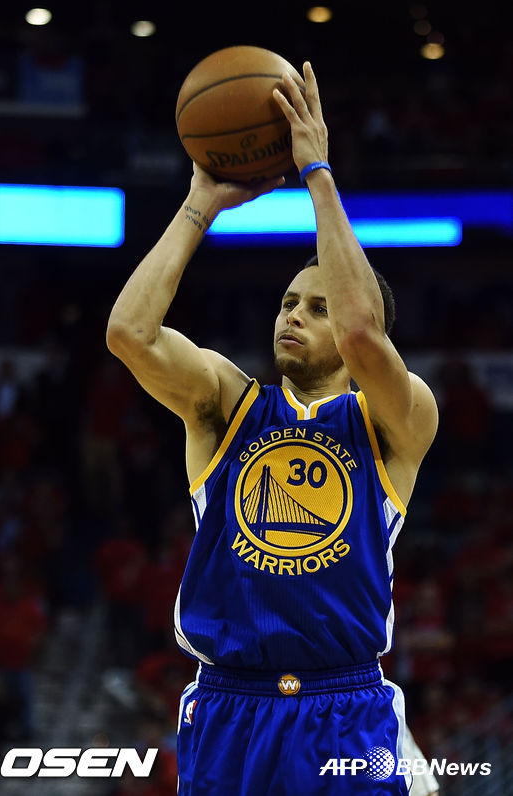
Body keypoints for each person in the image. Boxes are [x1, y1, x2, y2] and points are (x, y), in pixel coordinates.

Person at [107, 62, 438, 795]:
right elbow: (129, 334)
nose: (293, 315)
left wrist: (318, 173)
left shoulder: (396, 417)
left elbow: (362, 334)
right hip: (230, 705)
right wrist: (198, 205)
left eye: (318, 307)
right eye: (289, 302)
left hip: (344, 707)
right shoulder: (229, 404)